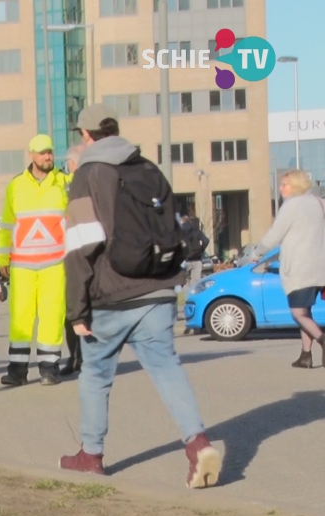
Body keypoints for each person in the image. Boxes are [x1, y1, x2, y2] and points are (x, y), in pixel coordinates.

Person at [60, 104, 221, 488]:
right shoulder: (149, 168)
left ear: (86, 136)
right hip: (158, 287)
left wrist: (76, 308)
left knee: (96, 375)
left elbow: (82, 245)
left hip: (111, 293)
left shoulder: (88, 174)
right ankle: (198, 443)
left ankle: (91, 455)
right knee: (167, 368)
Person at [0, 134, 69, 387]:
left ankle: (49, 370)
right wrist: (2, 257)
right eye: (42, 152)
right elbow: (5, 225)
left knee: (52, 315)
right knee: (20, 318)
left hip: (55, 263)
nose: (47, 156)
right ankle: (17, 371)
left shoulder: (64, 182)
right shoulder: (15, 186)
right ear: (31, 155)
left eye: (50, 152)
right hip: (22, 265)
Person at [248, 170, 325, 369]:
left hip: (300, 267)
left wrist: (257, 253)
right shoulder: (319, 202)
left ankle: (322, 339)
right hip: (319, 267)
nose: (281, 188)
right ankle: (305, 355)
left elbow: (275, 235)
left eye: (285, 184)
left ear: (296, 185)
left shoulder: (292, 206)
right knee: (306, 312)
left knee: (298, 313)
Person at [61, 143, 86, 376]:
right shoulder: (66, 184)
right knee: (73, 311)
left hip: (79, 251)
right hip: (73, 252)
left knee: (76, 310)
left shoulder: (82, 182)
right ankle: (76, 357)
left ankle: (80, 357)